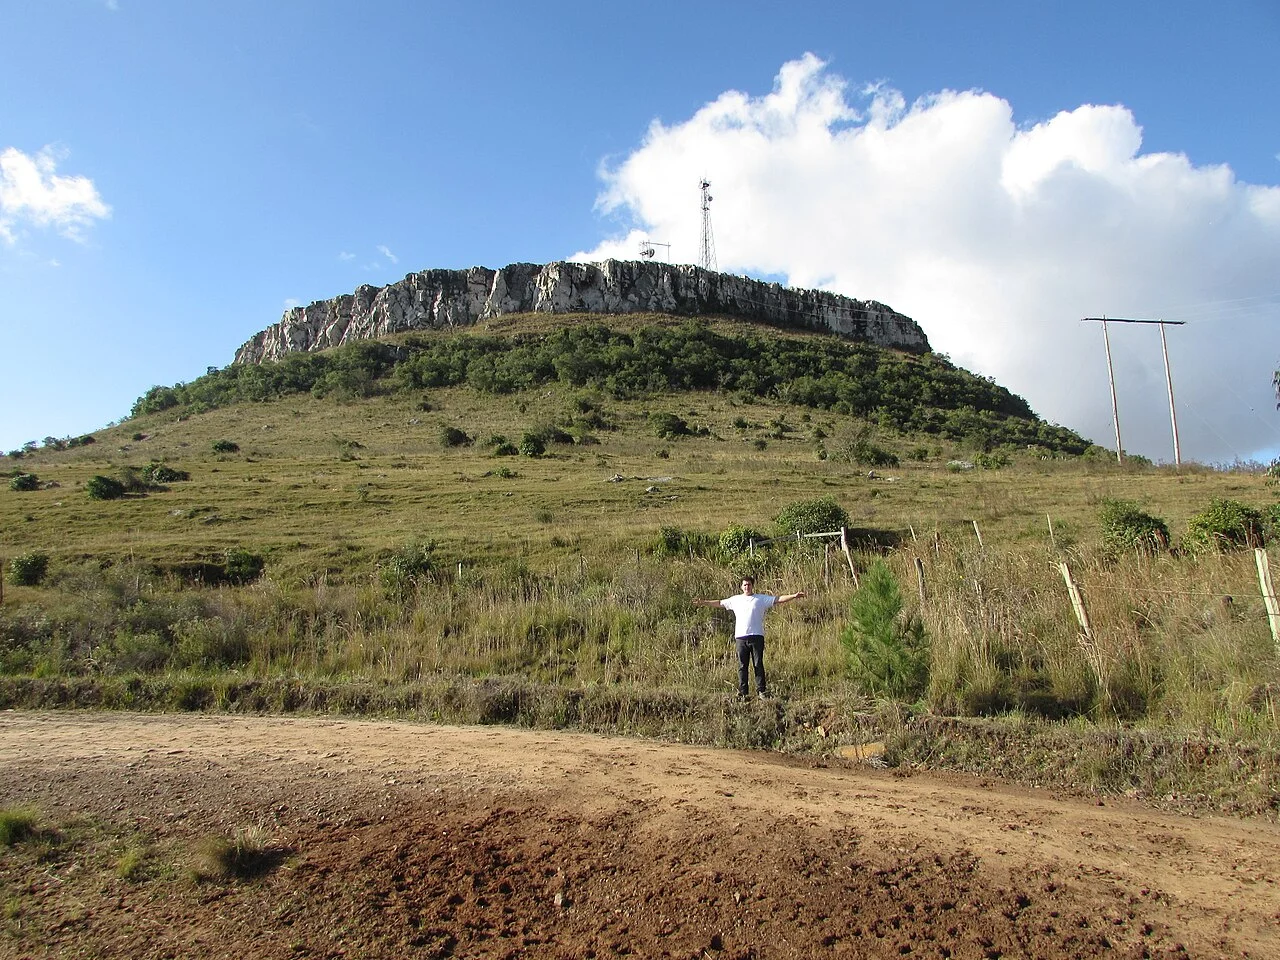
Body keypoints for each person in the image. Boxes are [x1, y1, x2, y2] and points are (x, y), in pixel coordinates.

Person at [693, 576, 806, 700]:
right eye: (745, 585)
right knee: (742, 665)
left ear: (752, 586)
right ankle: (743, 692)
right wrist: (704, 602)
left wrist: (793, 596)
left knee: (758, 663)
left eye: (749, 585)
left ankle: (761, 691)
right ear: (741, 587)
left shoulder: (760, 599)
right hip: (741, 638)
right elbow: (720, 603)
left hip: (756, 636)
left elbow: (778, 599)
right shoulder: (735, 600)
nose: (747, 587)